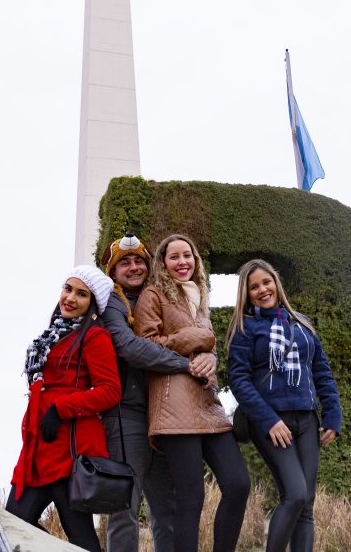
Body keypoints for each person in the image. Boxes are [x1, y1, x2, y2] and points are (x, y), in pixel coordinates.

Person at [98, 233, 217, 552]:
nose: (134, 267)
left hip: (165, 416)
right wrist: (184, 365)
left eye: (140, 260)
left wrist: (209, 356)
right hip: (128, 415)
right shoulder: (111, 303)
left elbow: (200, 336)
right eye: (125, 262)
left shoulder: (167, 298)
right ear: (112, 271)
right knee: (125, 508)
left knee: (167, 509)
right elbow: (130, 348)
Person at [133, 233, 250, 552]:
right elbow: (145, 347)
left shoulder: (198, 296)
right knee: (190, 497)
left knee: (238, 484)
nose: (182, 262)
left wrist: (210, 356)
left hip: (208, 403)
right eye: (174, 257)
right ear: (162, 262)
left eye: (188, 256)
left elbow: (206, 345)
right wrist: (193, 338)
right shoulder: (153, 295)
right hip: (173, 405)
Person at [227, 259, 342, 552]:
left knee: (306, 504)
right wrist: (268, 421)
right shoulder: (245, 327)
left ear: (276, 283)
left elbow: (322, 372)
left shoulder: (302, 323)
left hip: (306, 419)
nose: (262, 290)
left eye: (266, 282)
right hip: (270, 423)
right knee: (295, 494)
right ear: (246, 293)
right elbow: (239, 380)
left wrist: (332, 415)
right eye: (254, 287)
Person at [8, 266, 122, 552]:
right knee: (13, 526)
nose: (70, 298)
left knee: (80, 536)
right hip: (38, 449)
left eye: (81, 294)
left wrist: (60, 408)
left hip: (69, 453)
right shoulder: (51, 336)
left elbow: (111, 390)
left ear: (93, 304)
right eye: (68, 289)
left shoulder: (95, 337)